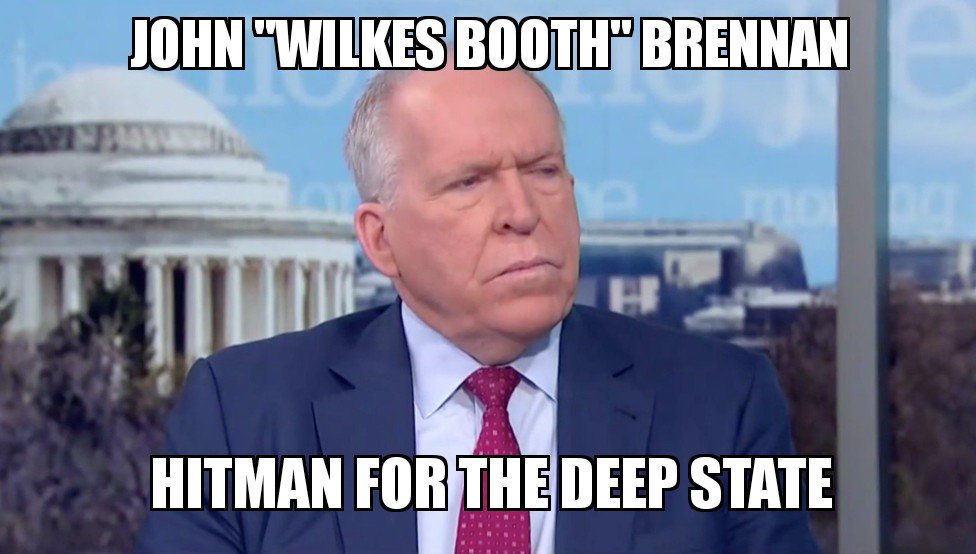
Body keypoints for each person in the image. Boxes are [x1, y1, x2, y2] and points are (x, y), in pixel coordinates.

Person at [137, 64, 819, 553]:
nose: (522, 212)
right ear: (382, 239)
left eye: (543, 171)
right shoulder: (245, 412)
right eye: (469, 183)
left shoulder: (718, 402)